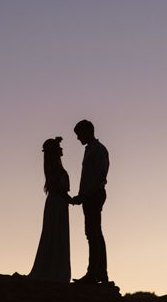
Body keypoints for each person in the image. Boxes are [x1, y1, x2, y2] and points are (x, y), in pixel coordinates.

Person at [70, 119, 109, 284]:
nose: (78, 138)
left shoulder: (98, 150)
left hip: (94, 195)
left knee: (93, 234)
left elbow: (96, 177)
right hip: (90, 195)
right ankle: (98, 272)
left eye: (79, 135)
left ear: (87, 132)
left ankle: (95, 273)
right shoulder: (92, 150)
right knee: (93, 233)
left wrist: (84, 195)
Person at [28, 136, 71, 283]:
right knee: (54, 233)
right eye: (59, 147)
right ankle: (53, 269)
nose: (62, 149)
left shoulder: (56, 166)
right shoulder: (54, 168)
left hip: (59, 203)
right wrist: (70, 199)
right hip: (57, 204)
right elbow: (57, 188)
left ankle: (56, 268)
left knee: (57, 233)